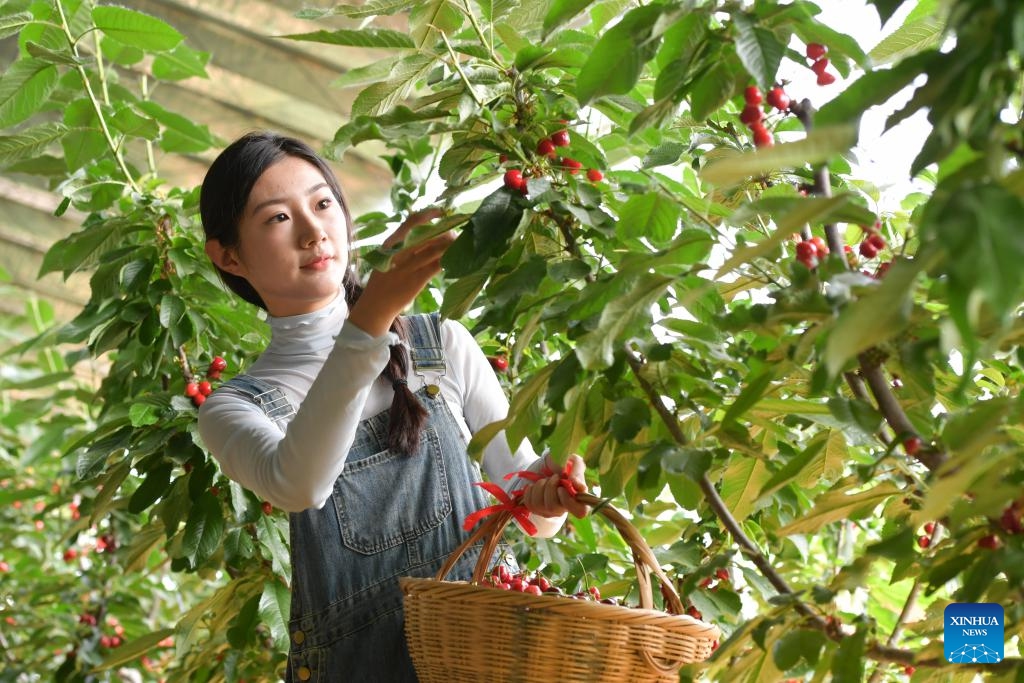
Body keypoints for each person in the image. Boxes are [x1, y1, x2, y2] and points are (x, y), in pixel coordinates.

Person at [197, 131, 588, 682]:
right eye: (278, 219)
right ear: (229, 257)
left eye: (323, 203)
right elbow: (301, 484)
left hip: (485, 663)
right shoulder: (236, 407)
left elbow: (525, 507)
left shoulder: (441, 345)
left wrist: (546, 497)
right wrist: (371, 319)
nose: (314, 232)